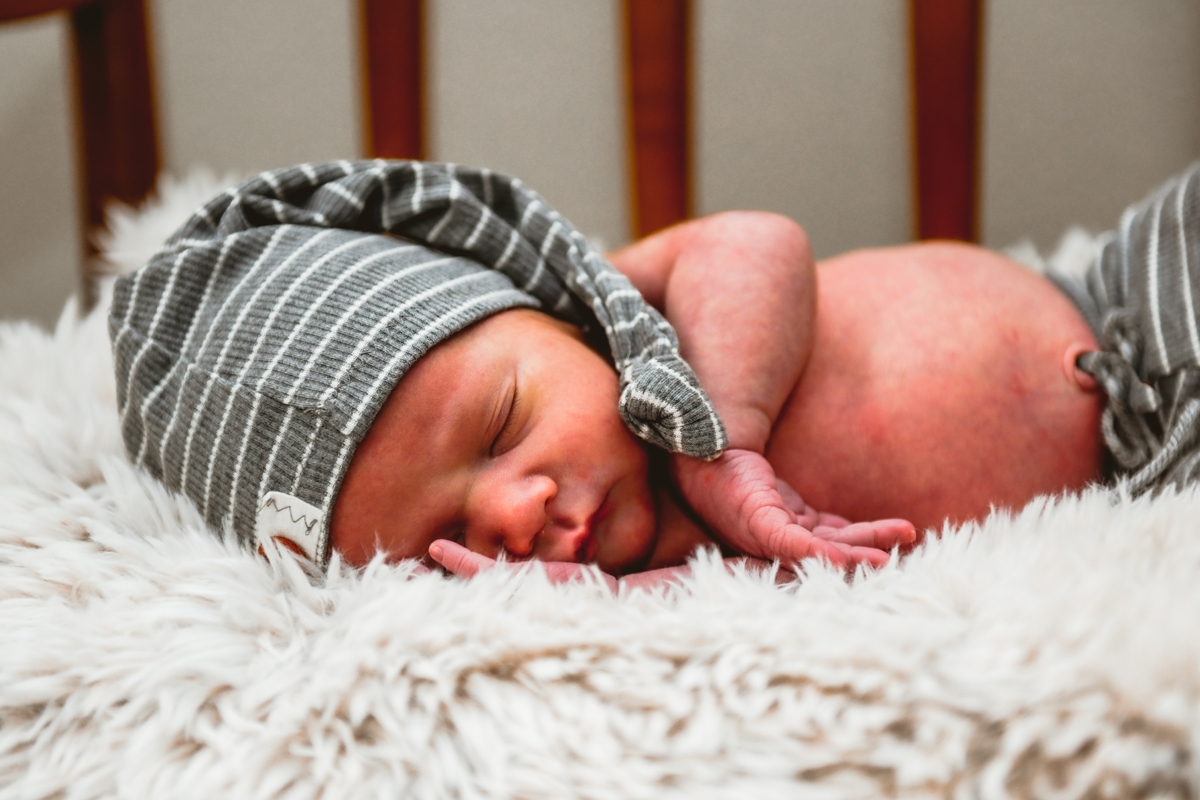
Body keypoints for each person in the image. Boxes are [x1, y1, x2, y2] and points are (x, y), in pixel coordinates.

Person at [108, 159, 1194, 590]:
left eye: (499, 427)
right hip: (1160, 459)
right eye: (439, 544)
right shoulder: (625, 578)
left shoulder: (643, 315)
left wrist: (721, 442)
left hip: (1132, 295)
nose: (512, 509)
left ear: (551, 313)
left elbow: (758, 239)